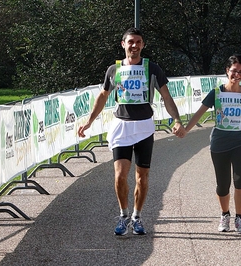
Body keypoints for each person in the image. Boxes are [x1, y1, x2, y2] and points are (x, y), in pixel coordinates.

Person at [78, 28, 185, 236]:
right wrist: (89, 122)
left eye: (138, 42)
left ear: (143, 45)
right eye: (130, 42)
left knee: (142, 177)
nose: (134, 46)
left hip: (144, 126)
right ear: (123, 44)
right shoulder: (114, 70)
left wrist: (177, 120)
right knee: (120, 176)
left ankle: (137, 217)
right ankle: (123, 215)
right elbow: (103, 96)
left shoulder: (152, 68)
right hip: (122, 126)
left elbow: (166, 97)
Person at [184, 54, 241, 233]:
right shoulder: (216, 93)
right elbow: (199, 113)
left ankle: (239, 219)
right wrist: (185, 130)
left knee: (240, 179)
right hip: (220, 141)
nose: (237, 75)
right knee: (223, 183)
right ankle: (225, 215)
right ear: (227, 71)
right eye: (234, 71)